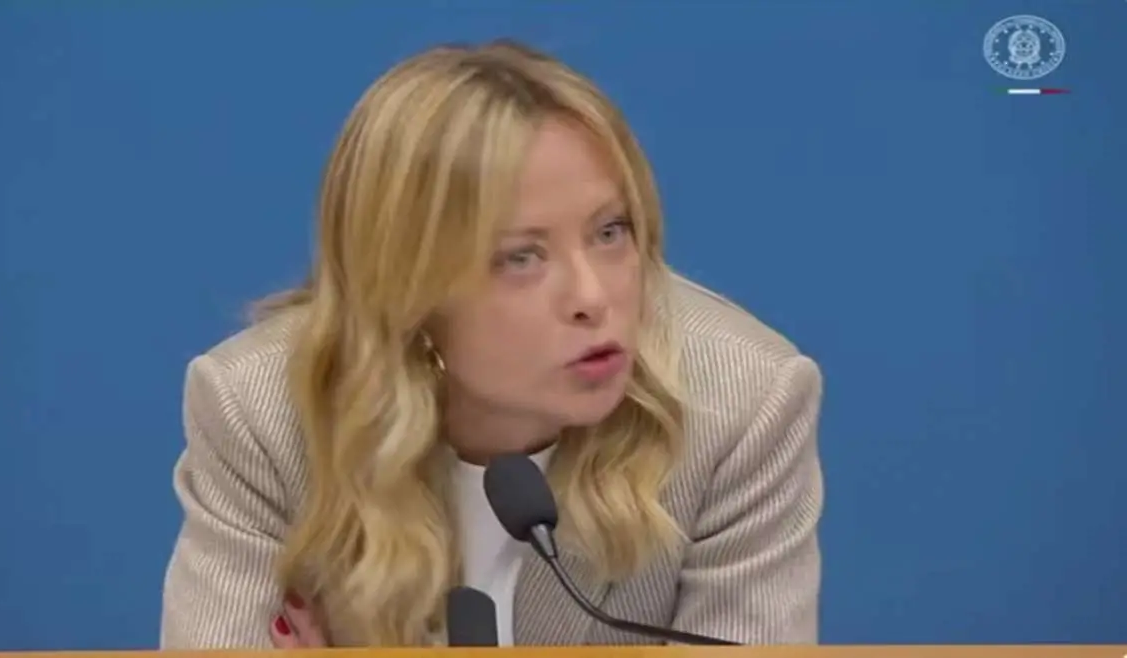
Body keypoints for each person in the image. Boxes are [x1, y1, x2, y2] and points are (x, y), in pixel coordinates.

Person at [159, 39, 825, 649]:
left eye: (610, 231)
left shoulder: (740, 405)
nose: (592, 296)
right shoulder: (263, 414)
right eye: (521, 257)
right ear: (406, 290)